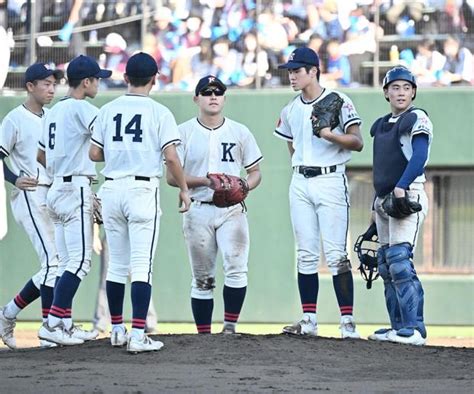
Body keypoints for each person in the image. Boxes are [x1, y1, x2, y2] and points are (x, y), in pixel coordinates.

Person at [89, 52, 191, 353]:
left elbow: (94, 154)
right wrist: (184, 188)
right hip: (142, 190)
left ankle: (117, 329)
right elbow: (171, 157)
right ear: (155, 79)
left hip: (112, 189)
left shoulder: (107, 109)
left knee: (116, 267)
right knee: (141, 267)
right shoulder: (160, 112)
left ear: (125, 78)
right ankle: (137, 334)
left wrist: (122, 153)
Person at [274, 47, 363, 339]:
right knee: (306, 255)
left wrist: (329, 135)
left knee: (337, 255)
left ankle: (347, 323)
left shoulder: (338, 100)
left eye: (297, 71)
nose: (292, 76)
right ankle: (309, 320)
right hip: (300, 180)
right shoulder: (290, 109)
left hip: (330, 179)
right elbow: (291, 146)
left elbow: (358, 142)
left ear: (314, 70)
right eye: (290, 71)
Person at [167, 75, 263, 335]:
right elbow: (171, 177)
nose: (212, 96)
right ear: (195, 98)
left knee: (236, 268)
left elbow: (255, 172)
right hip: (197, 208)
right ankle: (203, 337)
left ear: (224, 98)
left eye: (218, 92)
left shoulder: (240, 131)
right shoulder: (183, 131)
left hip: (232, 211)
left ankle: (230, 328)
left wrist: (243, 186)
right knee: (202, 279)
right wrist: (209, 182)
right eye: (206, 92)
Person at [36, 55, 111, 346]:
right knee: (80, 263)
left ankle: (64, 324)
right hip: (74, 187)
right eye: (97, 79)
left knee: (67, 261)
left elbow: (41, 155)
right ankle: (53, 323)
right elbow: (106, 142)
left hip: (55, 188)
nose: (99, 84)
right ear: (87, 81)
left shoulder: (53, 112)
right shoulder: (83, 108)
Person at [368, 66, 432, 346]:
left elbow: (419, 155)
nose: (401, 92)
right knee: (385, 264)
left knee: (399, 261)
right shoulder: (382, 124)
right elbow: (381, 167)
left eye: (407, 87)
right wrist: (375, 204)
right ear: (386, 92)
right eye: (395, 87)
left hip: (408, 193)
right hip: (384, 198)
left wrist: (402, 185)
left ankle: (414, 328)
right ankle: (397, 327)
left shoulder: (416, 118)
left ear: (413, 92)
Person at [0, 63, 62, 349]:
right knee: (54, 263)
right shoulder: (14, 118)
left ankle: (8, 313)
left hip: (52, 194)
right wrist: (14, 178)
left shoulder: (53, 117)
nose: (51, 88)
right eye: (46, 83)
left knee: (58, 265)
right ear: (29, 86)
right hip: (30, 194)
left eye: (54, 83)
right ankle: (51, 329)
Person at [92, 227, 158, 334]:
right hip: (113, 235)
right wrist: (95, 235)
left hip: (135, 237)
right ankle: (100, 325)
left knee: (141, 279)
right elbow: (97, 211)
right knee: (107, 281)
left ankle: (150, 324)